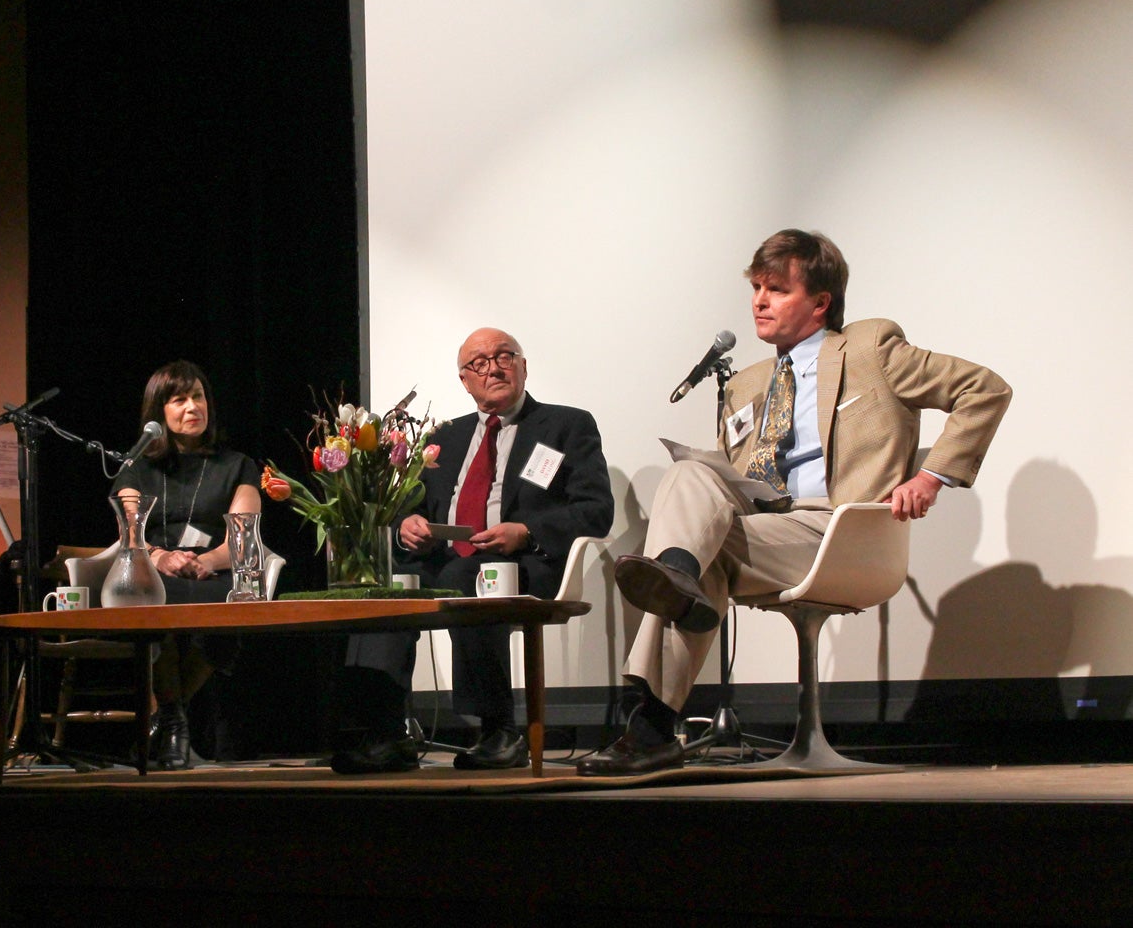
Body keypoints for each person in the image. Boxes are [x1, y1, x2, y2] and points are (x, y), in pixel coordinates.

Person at [578, 229, 1012, 776]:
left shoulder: (871, 349)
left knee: (700, 553)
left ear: (820, 302)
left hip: (840, 531)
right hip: (765, 526)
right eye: (756, 287)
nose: (759, 300)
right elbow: (732, 481)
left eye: (777, 289)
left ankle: (649, 725)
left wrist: (929, 477)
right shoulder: (747, 384)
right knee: (691, 478)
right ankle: (676, 584)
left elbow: (986, 390)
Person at [332, 328, 614, 773]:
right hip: (449, 558)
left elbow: (596, 510)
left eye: (504, 356)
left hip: (528, 562)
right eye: (479, 363)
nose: (494, 367)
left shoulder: (565, 425)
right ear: (464, 380)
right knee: (383, 586)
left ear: (524, 366)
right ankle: (384, 733)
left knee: (467, 579)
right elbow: (412, 505)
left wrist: (524, 531)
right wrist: (408, 523)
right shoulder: (445, 436)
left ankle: (499, 729)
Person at [109, 360, 261, 769]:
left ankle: (167, 718)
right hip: (152, 571)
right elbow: (131, 534)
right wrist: (160, 557)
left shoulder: (238, 465)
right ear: (159, 412)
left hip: (214, 571)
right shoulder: (135, 468)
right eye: (179, 399)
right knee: (156, 604)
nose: (193, 406)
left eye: (198, 396)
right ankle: (175, 720)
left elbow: (242, 542)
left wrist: (201, 561)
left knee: (227, 609)